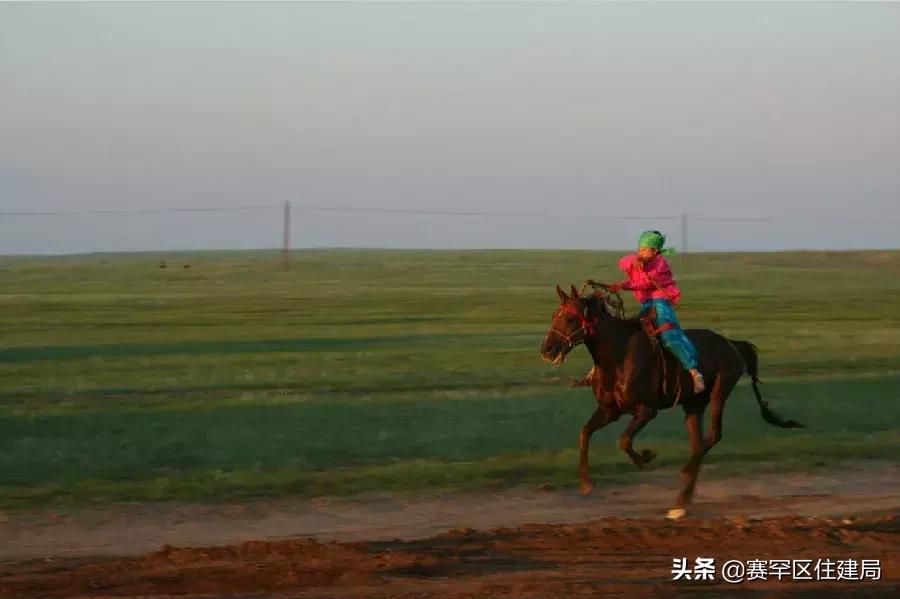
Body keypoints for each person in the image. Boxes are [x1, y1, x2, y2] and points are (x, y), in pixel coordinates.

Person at [607, 230, 706, 394]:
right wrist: (625, 277)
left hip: (660, 304)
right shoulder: (639, 261)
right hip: (647, 305)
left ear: (655, 251)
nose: (641, 252)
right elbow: (623, 262)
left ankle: (694, 373)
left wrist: (624, 286)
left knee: (669, 338)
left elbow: (645, 282)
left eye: (645, 249)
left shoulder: (660, 263)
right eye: (640, 249)